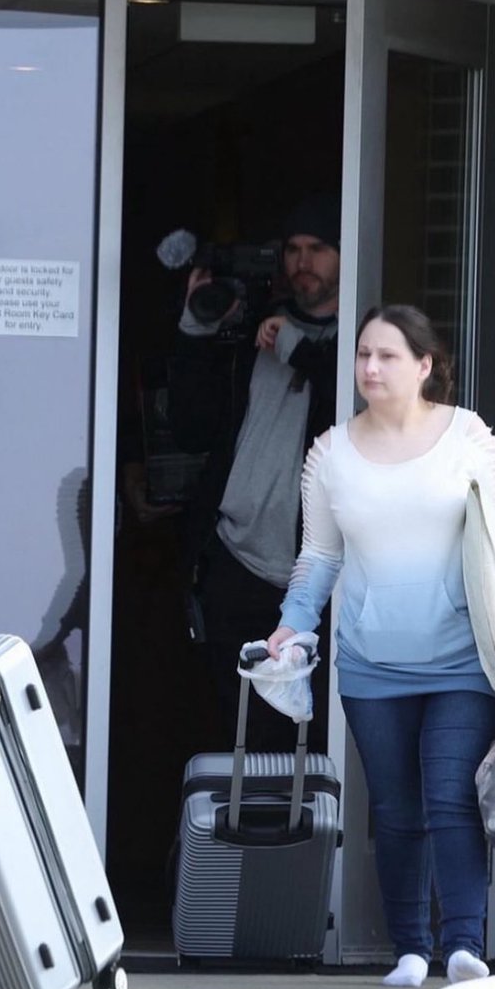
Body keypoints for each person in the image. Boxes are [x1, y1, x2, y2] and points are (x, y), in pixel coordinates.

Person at [267, 303, 495, 988]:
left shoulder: (468, 437)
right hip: (373, 665)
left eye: (388, 356)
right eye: (363, 355)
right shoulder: (331, 454)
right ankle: (409, 950)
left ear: (426, 365)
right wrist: (293, 623)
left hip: (464, 659)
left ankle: (463, 945)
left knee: (450, 795)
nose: (370, 368)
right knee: (397, 809)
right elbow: (318, 556)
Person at [167, 192, 340, 753]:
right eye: (293, 249)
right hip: (236, 560)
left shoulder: (363, 342)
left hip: (315, 576)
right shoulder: (253, 334)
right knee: (236, 727)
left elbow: (364, 415)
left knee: (307, 735)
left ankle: (306, 842)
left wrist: (299, 352)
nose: (302, 263)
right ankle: (238, 842)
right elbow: (192, 428)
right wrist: (196, 331)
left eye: (317, 249)